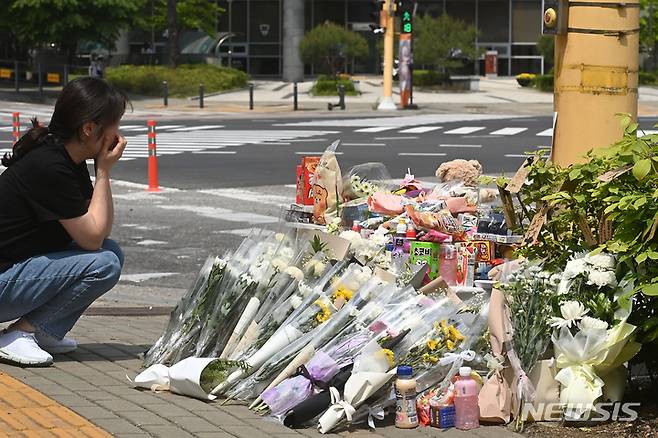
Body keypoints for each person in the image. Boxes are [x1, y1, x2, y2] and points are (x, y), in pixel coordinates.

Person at [0, 77, 128, 367]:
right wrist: (105, 173)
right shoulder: (51, 166)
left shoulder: (67, 158)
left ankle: (43, 330)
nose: (118, 133)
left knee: (111, 253)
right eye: (115, 124)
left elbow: (98, 229)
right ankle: (18, 335)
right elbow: (92, 238)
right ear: (89, 128)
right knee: (104, 263)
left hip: (11, 273)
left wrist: (100, 171)